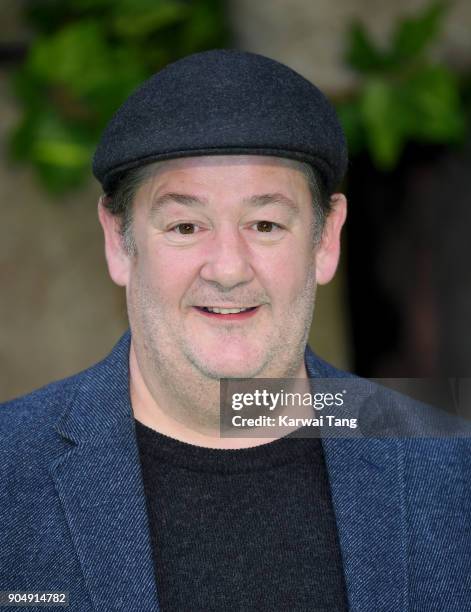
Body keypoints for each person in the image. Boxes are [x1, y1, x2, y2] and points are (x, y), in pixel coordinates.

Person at [0, 50, 469, 612]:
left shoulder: (450, 467)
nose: (227, 268)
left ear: (326, 239)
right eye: (185, 225)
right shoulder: (10, 468)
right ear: (117, 241)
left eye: (265, 223)